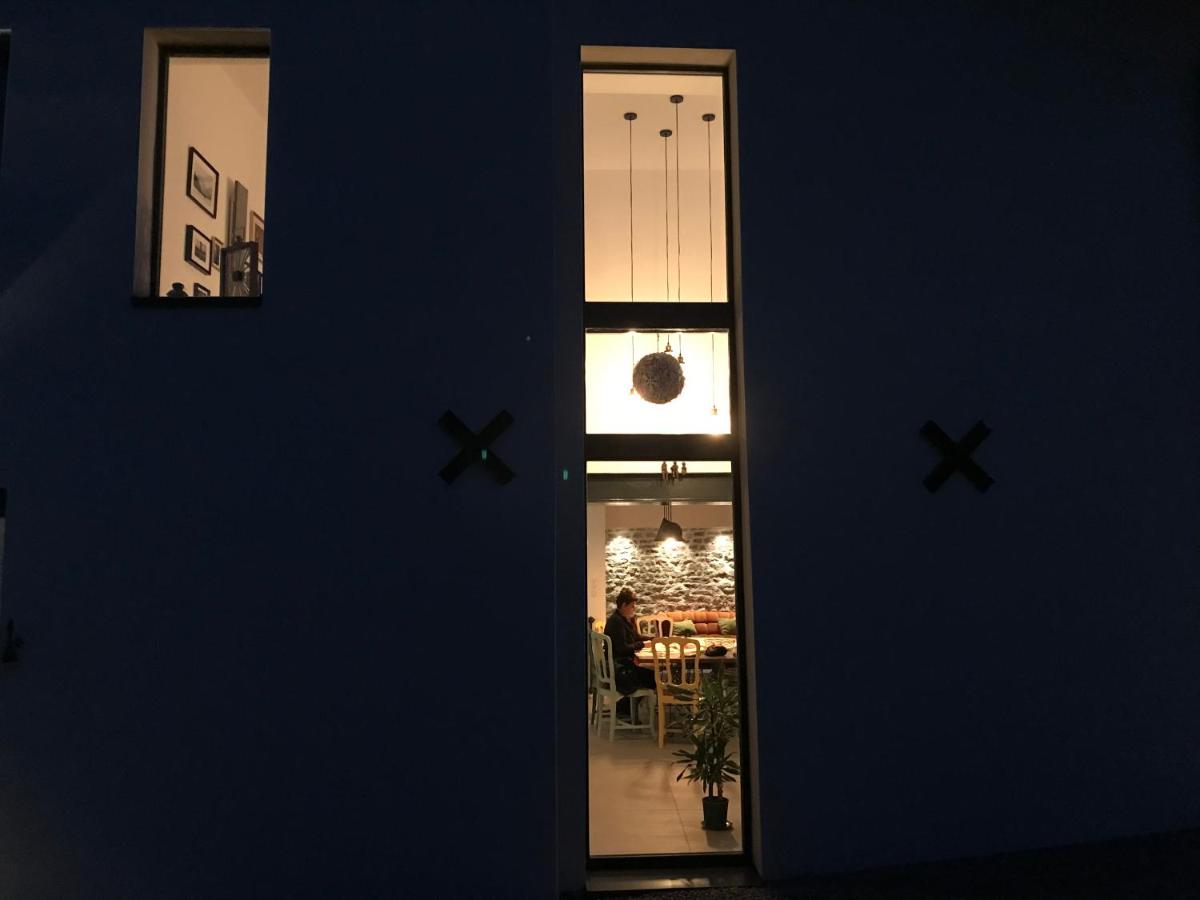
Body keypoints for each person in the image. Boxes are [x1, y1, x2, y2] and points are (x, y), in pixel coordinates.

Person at [603, 588, 657, 718]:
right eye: (632, 606)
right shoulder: (616, 622)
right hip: (619, 670)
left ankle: (625, 708)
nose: (634, 608)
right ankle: (625, 708)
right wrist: (643, 644)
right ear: (623, 605)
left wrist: (653, 639)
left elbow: (636, 637)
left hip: (621, 665)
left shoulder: (623, 619)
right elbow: (623, 648)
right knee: (654, 677)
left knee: (652, 675)